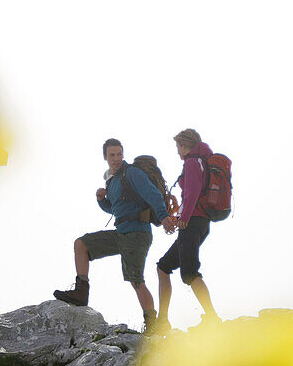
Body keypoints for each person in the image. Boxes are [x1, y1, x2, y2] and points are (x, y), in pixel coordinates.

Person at [54, 138, 175, 331]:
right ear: (105, 157)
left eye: (119, 154)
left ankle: (153, 326)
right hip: (121, 234)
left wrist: (165, 217)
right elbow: (116, 208)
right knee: (81, 244)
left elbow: (152, 194)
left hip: (137, 234)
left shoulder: (132, 173)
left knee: (136, 281)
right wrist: (102, 200)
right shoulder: (113, 180)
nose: (116, 158)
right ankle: (81, 292)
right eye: (112, 155)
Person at [155, 128, 220, 333]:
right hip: (200, 222)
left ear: (185, 145)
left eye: (178, 146)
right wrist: (181, 217)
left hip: (192, 222)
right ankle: (163, 320)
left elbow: (192, 192)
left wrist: (183, 218)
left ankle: (212, 318)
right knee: (164, 267)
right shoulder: (203, 160)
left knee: (190, 272)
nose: (177, 151)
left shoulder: (192, 161)